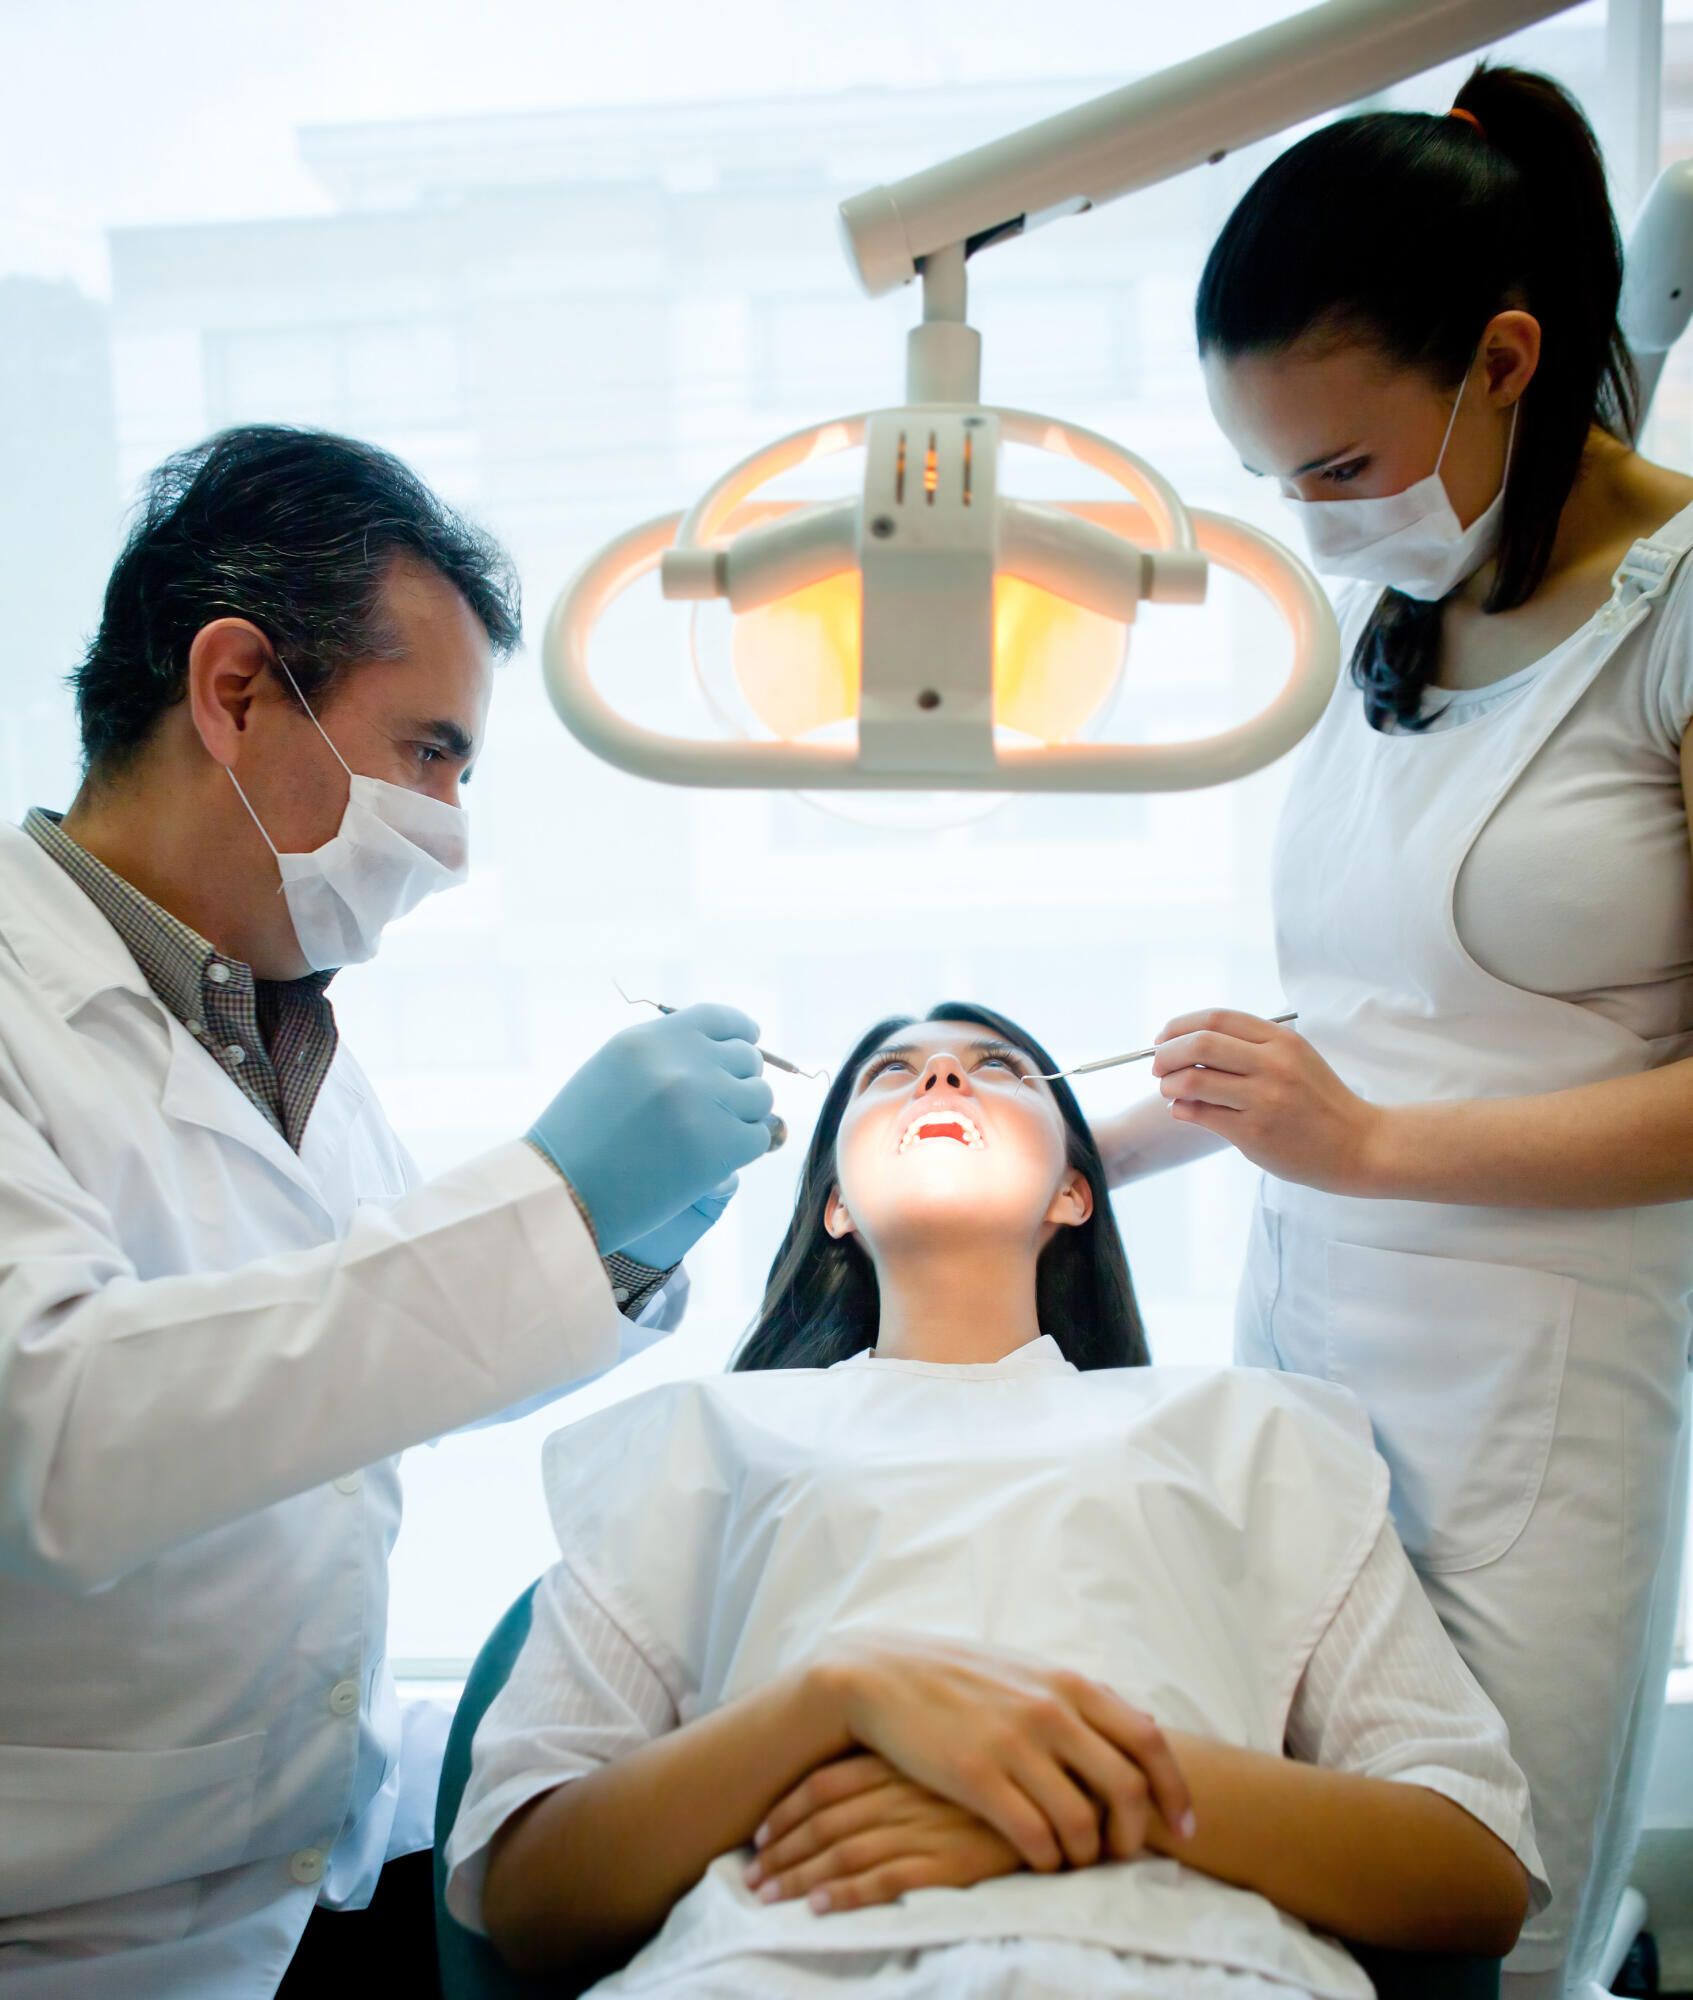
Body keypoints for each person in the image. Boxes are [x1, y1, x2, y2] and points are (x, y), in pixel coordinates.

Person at [0, 425, 777, 1997]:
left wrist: (609, 1249)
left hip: (284, 1878)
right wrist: (546, 1201)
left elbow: (354, 1376)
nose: (451, 825)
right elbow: (59, 1432)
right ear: (233, 692)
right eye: (429, 750)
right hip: (62, 1922)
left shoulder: (273, 1027)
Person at [1093, 64, 1693, 1999]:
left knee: (1471, 1924)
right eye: (1270, 478)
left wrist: (1361, 1145)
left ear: (1506, 358)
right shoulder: (1407, 629)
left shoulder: (1673, 617)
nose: (1311, 521)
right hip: (1308, 1357)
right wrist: (1071, 1141)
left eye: (1338, 469)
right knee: (1275, 1913)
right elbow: (1367, 1024)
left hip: (1545, 1403)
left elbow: (1374, 1101)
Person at [444, 1004, 1546, 1999]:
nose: (939, 1081)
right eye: (891, 1073)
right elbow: (531, 1896)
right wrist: (840, 1695)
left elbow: (1471, 1863)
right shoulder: (691, 1444)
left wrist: (1054, 1799)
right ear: (833, 1204)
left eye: (995, 1065)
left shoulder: (1255, 1435)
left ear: (1074, 1188)